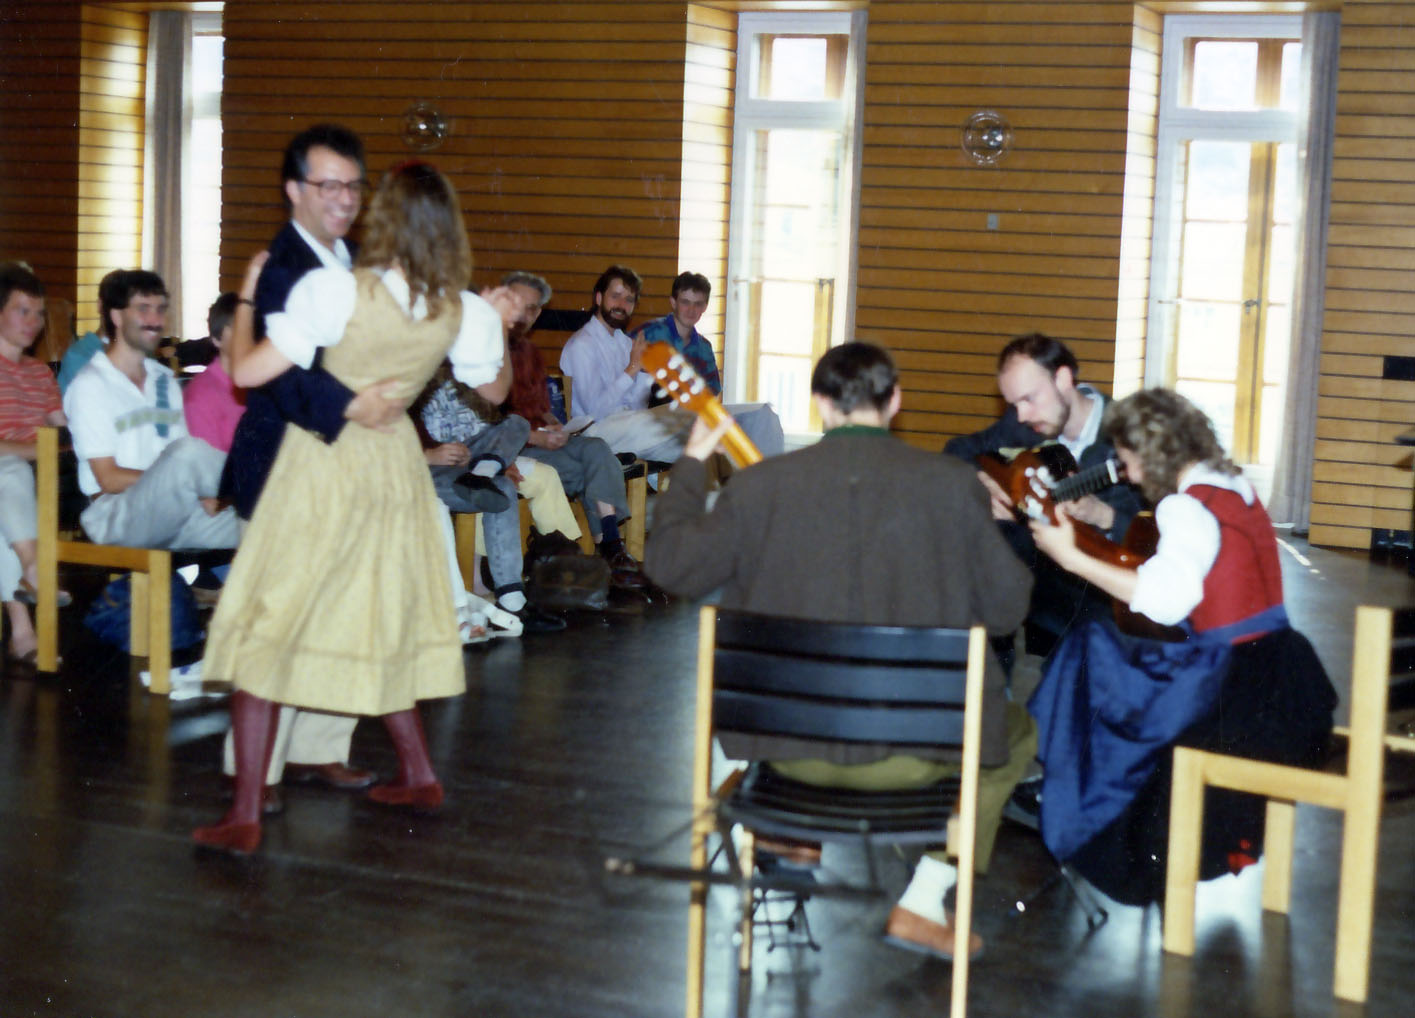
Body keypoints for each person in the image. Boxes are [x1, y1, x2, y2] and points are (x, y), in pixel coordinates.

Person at [645, 342, 1035, 960]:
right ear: (897, 402)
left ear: (821, 404)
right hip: (916, 760)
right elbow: (1010, 608)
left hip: (785, 755)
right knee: (1013, 731)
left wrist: (694, 463)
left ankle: (792, 835)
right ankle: (922, 901)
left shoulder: (760, 486)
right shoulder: (952, 484)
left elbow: (670, 567)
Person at [192, 160, 522, 855]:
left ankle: (245, 814)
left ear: (383, 219)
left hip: (325, 462)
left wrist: (250, 298)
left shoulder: (334, 289)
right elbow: (493, 391)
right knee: (378, 612)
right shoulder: (462, 309)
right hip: (395, 466)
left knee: (267, 621)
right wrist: (497, 321)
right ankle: (420, 774)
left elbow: (247, 373)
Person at [1026, 388, 1337, 906]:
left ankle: (1066, 792)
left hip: (1233, 691)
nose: (1125, 473)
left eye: (1125, 460)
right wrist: (1104, 522)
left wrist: (1071, 558)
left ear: (1151, 454)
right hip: (1284, 673)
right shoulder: (1235, 486)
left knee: (1090, 651)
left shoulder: (1183, 508)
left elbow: (1168, 601)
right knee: (1105, 652)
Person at [211, 124, 418, 803]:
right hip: (282, 455)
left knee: (338, 608)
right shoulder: (280, 267)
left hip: (343, 463)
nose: (344, 198)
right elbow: (272, 372)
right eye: (328, 184)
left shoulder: (355, 258)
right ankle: (256, 774)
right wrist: (348, 406)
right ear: (294, 189)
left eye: (354, 185)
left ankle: (316, 750)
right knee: (278, 617)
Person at [944, 332, 1145, 664]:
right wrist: (979, 480)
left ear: (1063, 378)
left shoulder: (1127, 436)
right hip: (1038, 587)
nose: (1021, 415)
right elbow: (957, 452)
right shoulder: (1025, 424)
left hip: (1103, 598)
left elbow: (1151, 541)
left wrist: (1101, 515)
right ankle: (989, 695)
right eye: (1014, 404)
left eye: (1029, 399)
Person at [62, 270, 239, 551]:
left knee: (270, 523)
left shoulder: (163, 380)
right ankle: (247, 482)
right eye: (144, 309)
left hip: (173, 511)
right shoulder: (91, 385)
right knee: (189, 452)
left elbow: (181, 465)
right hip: (115, 515)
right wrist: (174, 481)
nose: (156, 321)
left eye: (160, 310)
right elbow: (108, 478)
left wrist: (191, 489)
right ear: (117, 317)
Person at [559, 265, 784, 463]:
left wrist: (645, 376)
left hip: (635, 426)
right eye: (615, 296)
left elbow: (636, 404)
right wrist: (633, 369)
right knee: (703, 422)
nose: (621, 305)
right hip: (598, 432)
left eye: (629, 300)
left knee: (759, 415)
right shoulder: (582, 345)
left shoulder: (624, 342)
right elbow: (594, 411)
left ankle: (769, 497)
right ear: (598, 299)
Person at [501, 270, 643, 583]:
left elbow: (540, 408)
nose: (527, 314)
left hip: (543, 437)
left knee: (595, 449)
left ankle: (608, 548)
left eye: (533, 308)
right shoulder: (490, 351)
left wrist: (556, 426)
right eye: (519, 305)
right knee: (588, 472)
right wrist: (538, 436)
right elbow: (494, 419)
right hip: (516, 445)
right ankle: (603, 549)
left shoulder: (528, 352)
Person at [0, 263, 67, 664]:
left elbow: (64, 436)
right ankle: (31, 571)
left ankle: (24, 625)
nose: (34, 322)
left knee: (9, 479)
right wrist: (33, 449)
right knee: (9, 473)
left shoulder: (41, 373)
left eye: (39, 313)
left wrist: (41, 448)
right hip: (14, 473)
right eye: (22, 310)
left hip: (33, 475)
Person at [631, 270, 721, 396]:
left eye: (698, 304)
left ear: (705, 307)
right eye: (685, 302)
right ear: (673, 302)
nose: (691, 310)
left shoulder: (705, 348)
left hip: (687, 415)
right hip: (642, 413)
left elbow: (712, 393)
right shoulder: (647, 334)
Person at [181, 292, 244, 453]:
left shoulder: (264, 384)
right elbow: (208, 469)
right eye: (238, 327)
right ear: (217, 339)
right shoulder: (201, 396)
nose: (247, 335)